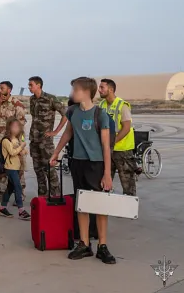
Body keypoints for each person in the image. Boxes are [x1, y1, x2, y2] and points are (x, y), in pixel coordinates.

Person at [50, 77, 116, 264]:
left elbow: (105, 146)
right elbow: (68, 132)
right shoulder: (72, 112)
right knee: (82, 204)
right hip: (77, 163)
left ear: (85, 92)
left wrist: (107, 173)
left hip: (96, 164)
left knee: (100, 205)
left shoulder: (100, 114)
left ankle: (102, 246)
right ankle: (84, 244)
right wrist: (56, 152)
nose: (72, 93)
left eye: (74, 90)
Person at [28, 76, 68, 197]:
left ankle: (55, 197)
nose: (29, 87)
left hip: (45, 141)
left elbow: (65, 114)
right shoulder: (32, 99)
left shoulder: (50, 99)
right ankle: (42, 197)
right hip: (34, 139)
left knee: (49, 169)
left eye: (31, 85)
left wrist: (55, 131)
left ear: (39, 85)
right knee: (38, 170)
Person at [0, 81, 27, 204]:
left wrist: (19, 145)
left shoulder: (17, 104)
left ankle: (19, 195)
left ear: (9, 90)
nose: (0, 90)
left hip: (14, 142)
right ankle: (1, 193)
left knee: (17, 169)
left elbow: (21, 125)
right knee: (1, 167)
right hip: (0, 141)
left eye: (2, 88)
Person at [98, 79, 137, 196]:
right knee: (103, 183)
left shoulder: (122, 105)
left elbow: (126, 127)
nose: (99, 90)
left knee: (127, 184)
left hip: (123, 151)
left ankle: (129, 211)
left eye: (102, 87)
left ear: (110, 89)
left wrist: (112, 142)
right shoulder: (101, 105)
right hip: (107, 150)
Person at [0, 119, 31, 220]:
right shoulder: (6, 140)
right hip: (10, 168)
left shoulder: (17, 139)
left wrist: (23, 149)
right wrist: (21, 148)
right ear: (9, 128)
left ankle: (2, 208)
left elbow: (21, 151)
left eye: (18, 126)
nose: (16, 129)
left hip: (16, 167)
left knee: (10, 188)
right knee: (18, 187)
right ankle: (21, 210)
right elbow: (12, 152)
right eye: (14, 126)